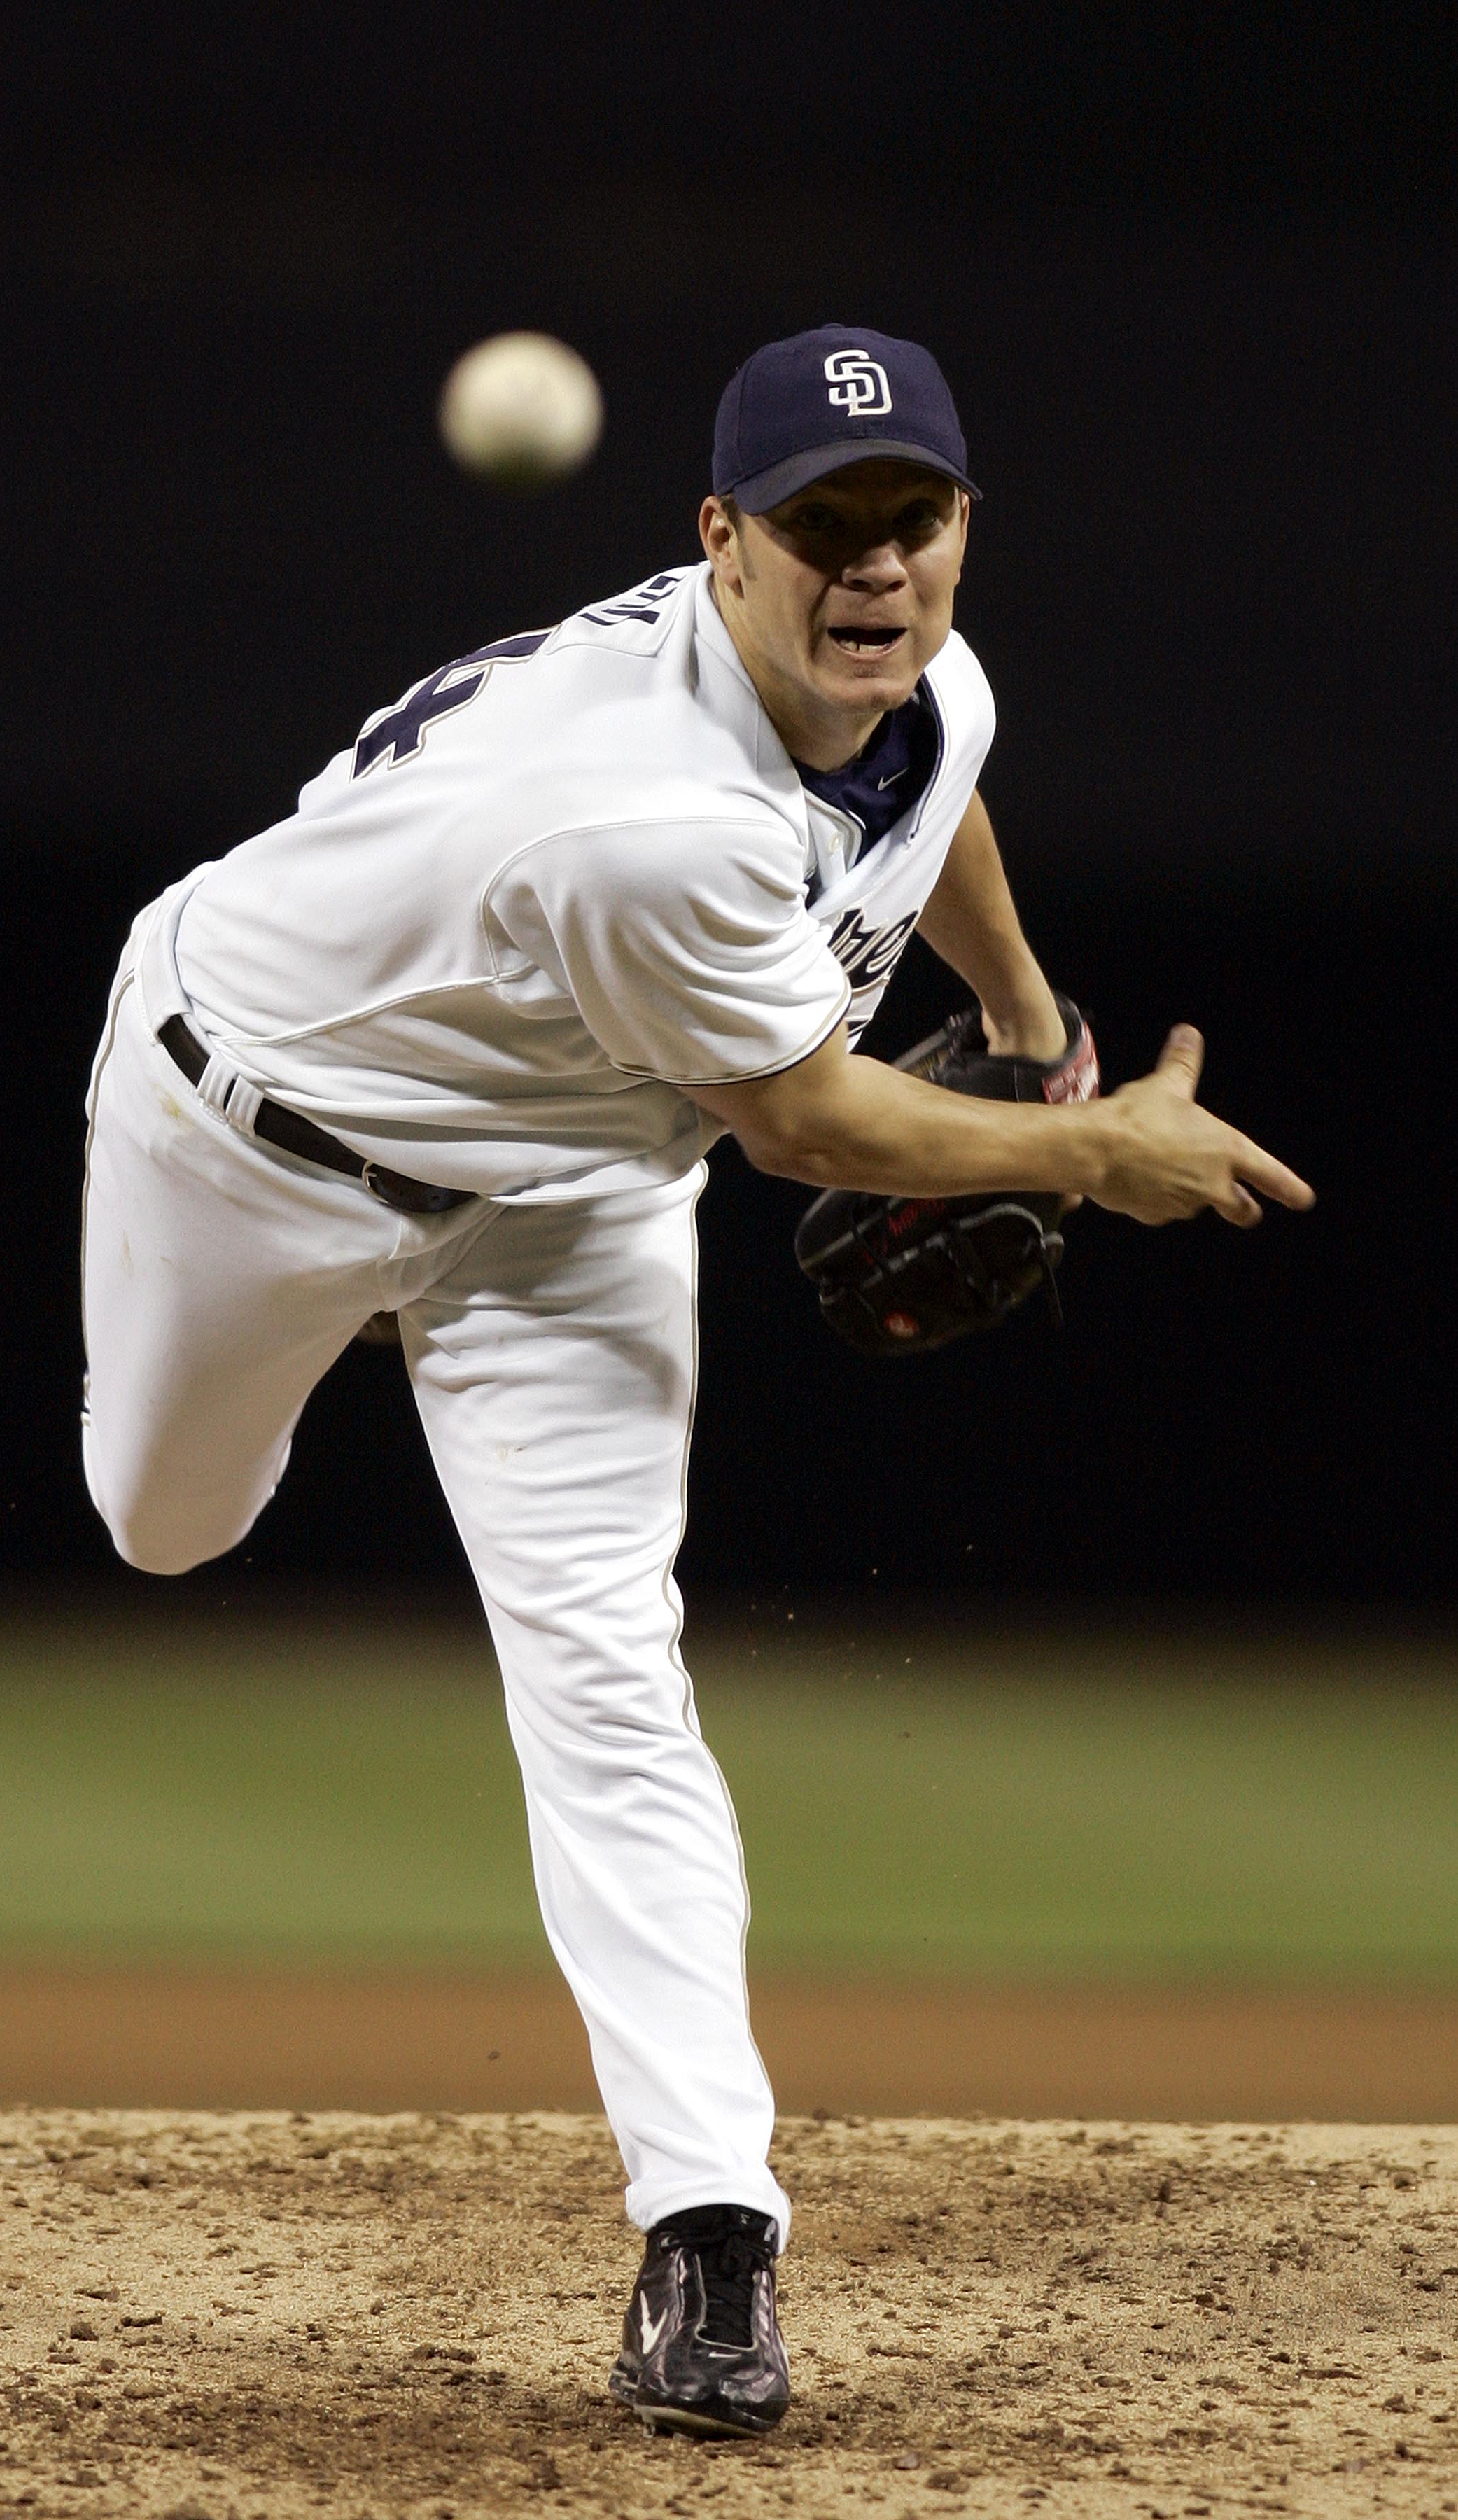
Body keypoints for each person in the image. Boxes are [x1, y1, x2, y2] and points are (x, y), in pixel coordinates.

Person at [80, 323, 1312, 2439]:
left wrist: (1033, 1024)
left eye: (913, 520)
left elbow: (940, 791)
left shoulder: (924, 675)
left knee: (608, 1676)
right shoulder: (643, 816)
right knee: (164, 1525)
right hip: (252, 1136)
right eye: (825, 526)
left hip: (565, 1192)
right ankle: (310, 1349)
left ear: (957, 533)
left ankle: (713, 2238)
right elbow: (810, 1128)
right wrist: (1087, 1153)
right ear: (721, 540)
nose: (879, 570)